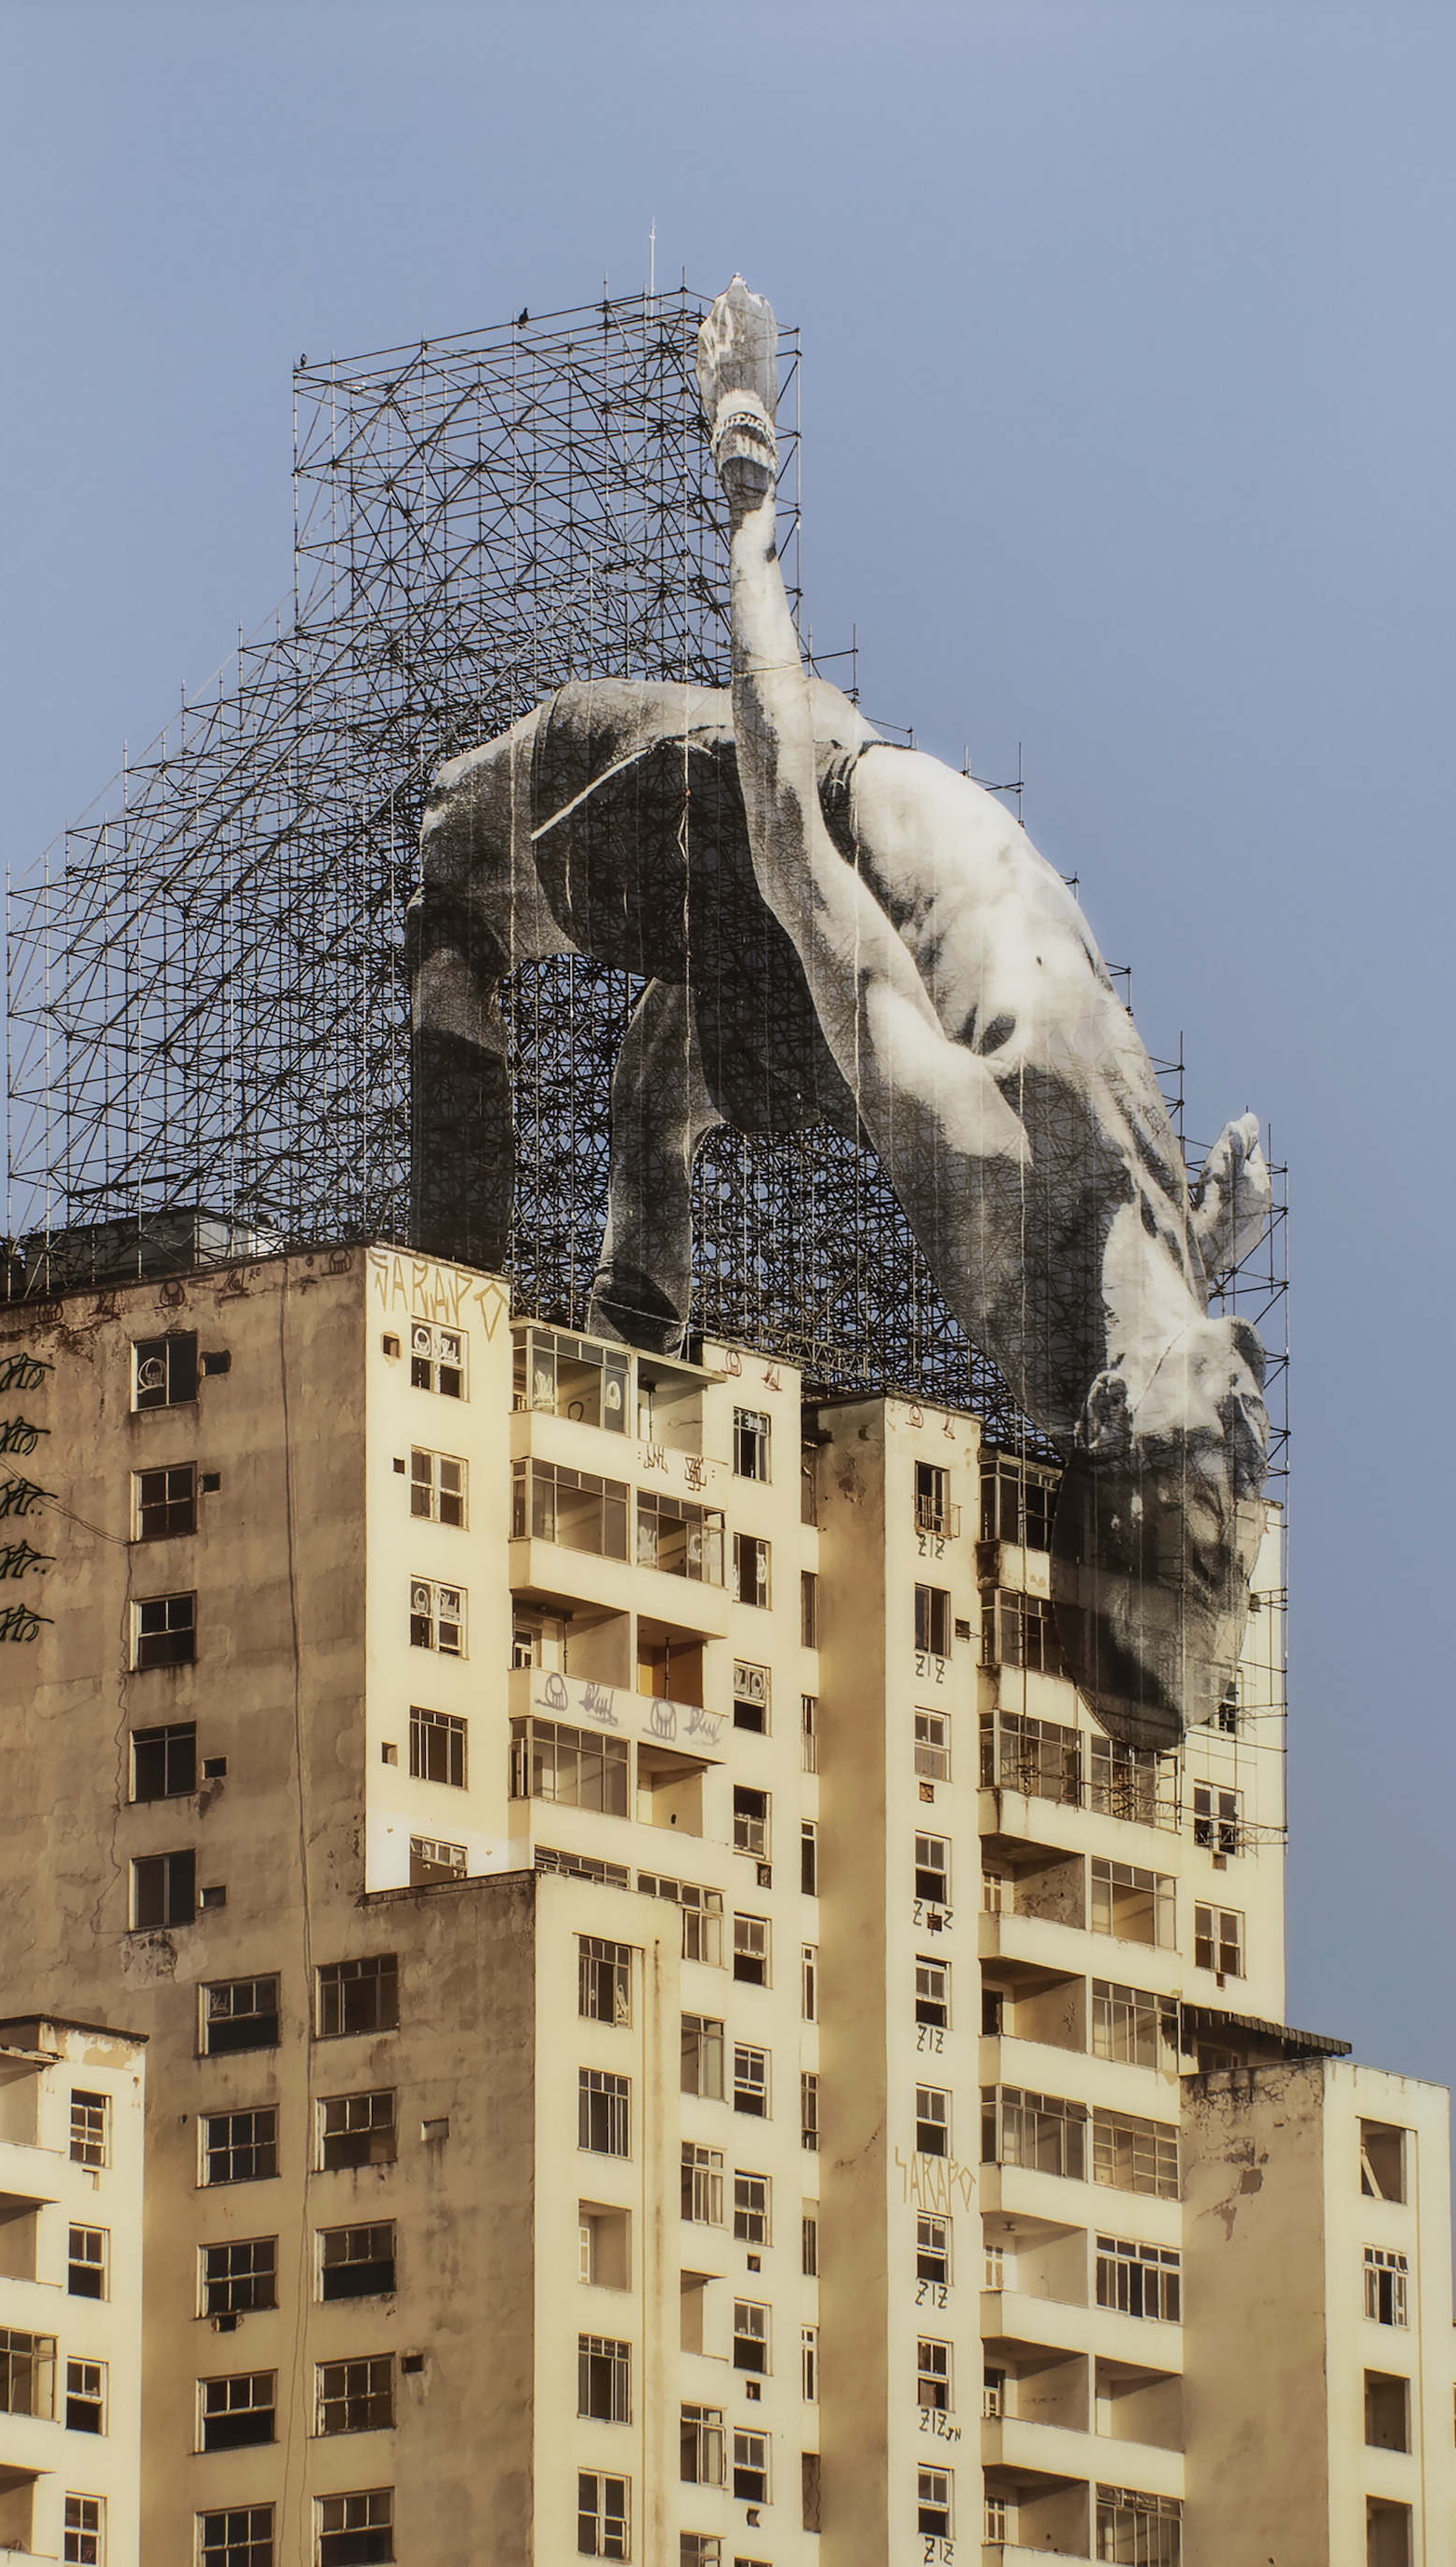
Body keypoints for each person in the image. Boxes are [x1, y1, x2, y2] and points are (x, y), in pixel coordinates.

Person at [406, 278, 1271, 1749]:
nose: (1253, 1451)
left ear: (1123, 1425)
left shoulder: (992, 1195)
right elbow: (1164, 1271)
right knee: (660, 1084)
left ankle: (445, 1305)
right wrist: (1220, 1214)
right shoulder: (1168, 1290)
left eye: (1211, 1490)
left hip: (770, 817)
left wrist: (745, 491)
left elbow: (797, 859)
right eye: (1240, 1508)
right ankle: (636, 1277)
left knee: (446, 853)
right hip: (835, 976)